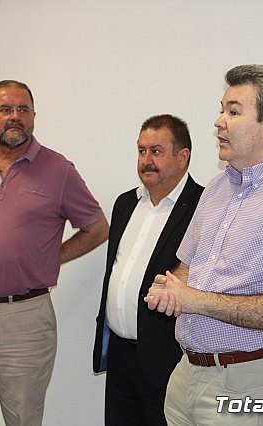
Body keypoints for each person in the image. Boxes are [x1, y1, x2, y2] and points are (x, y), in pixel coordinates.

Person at [145, 65, 263, 425]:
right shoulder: (216, 188)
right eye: (222, 110)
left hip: (250, 382)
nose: (219, 121)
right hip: (187, 373)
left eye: (233, 112)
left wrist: (194, 299)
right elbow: (187, 268)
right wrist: (171, 288)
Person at [0, 80, 109, 426]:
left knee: (22, 418)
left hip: (24, 318)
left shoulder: (58, 170)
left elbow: (98, 229)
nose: (15, 116)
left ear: (33, 116)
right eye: (5, 109)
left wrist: (50, 256)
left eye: (23, 109)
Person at [93, 114, 203, 425]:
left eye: (156, 151)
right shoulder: (125, 203)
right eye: (141, 151)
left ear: (182, 157)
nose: (146, 160)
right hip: (120, 354)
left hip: (167, 358)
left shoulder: (203, 206)